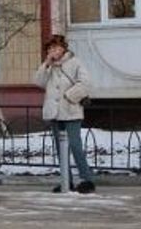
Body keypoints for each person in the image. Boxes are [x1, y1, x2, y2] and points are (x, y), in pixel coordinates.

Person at [34, 34, 95, 194]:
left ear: (63, 48)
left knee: (75, 145)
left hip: (71, 111)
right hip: (54, 113)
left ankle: (87, 179)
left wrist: (69, 96)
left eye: (55, 47)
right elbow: (38, 82)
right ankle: (66, 181)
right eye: (49, 48)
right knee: (61, 149)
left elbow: (86, 83)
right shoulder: (50, 66)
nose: (52, 51)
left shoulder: (75, 62)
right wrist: (46, 64)